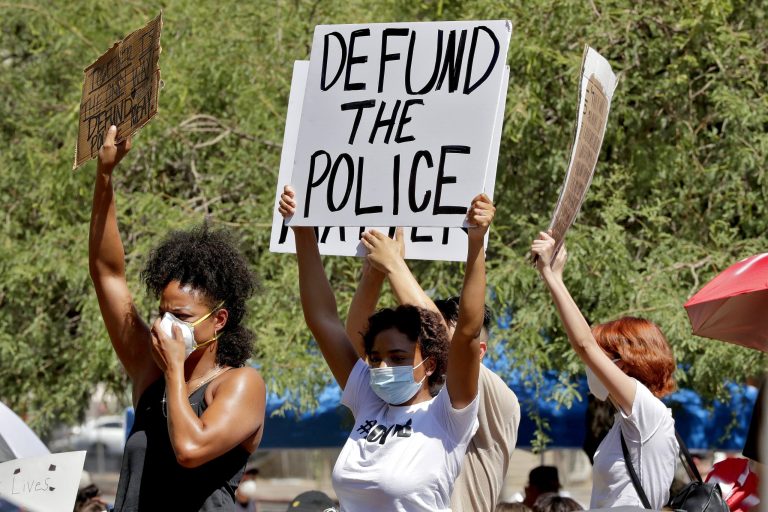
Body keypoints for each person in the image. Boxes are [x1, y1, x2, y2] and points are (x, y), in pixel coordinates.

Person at [278, 185, 490, 511]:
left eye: (398, 357)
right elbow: (323, 321)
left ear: (430, 364)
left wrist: (475, 244)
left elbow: (466, 333)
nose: (383, 368)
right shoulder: (369, 402)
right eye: (375, 358)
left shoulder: (448, 415)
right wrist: (303, 230)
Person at [89, 126, 266, 510]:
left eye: (181, 315)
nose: (166, 325)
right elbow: (107, 273)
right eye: (162, 313)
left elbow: (190, 448)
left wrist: (173, 371)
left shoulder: (240, 384)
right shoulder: (149, 371)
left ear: (218, 320)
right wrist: (105, 178)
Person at [343, 228, 520, 511]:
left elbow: (451, 342)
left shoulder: (493, 396)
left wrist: (394, 265)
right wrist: (373, 272)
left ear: (479, 352)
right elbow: (355, 346)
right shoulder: (406, 397)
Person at [531, 232, 678, 509]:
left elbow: (584, 344)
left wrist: (552, 277)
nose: (592, 364)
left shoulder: (645, 409)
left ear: (625, 361)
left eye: (603, 355)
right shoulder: (629, 420)